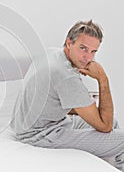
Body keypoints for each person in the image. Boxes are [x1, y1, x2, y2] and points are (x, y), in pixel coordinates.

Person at [11, 20, 124, 171]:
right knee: (119, 137)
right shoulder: (66, 76)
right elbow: (105, 126)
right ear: (69, 43)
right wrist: (102, 78)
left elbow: (52, 98)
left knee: (114, 123)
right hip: (39, 135)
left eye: (93, 51)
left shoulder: (52, 53)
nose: (88, 58)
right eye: (83, 48)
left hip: (30, 124)